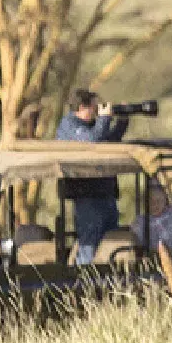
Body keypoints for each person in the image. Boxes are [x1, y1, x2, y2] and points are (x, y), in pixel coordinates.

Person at [55, 89, 129, 264]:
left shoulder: (93, 125)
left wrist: (122, 121)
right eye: (95, 108)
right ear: (82, 107)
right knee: (89, 244)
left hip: (105, 193)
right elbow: (91, 142)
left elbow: (109, 141)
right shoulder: (69, 125)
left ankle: (107, 275)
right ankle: (84, 276)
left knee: (110, 242)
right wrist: (104, 119)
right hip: (87, 197)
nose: (97, 111)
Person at [132, 180, 172, 258]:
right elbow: (137, 245)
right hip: (150, 259)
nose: (155, 205)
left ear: (165, 200)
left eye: (158, 201)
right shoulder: (140, 221)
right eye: (151, 201)